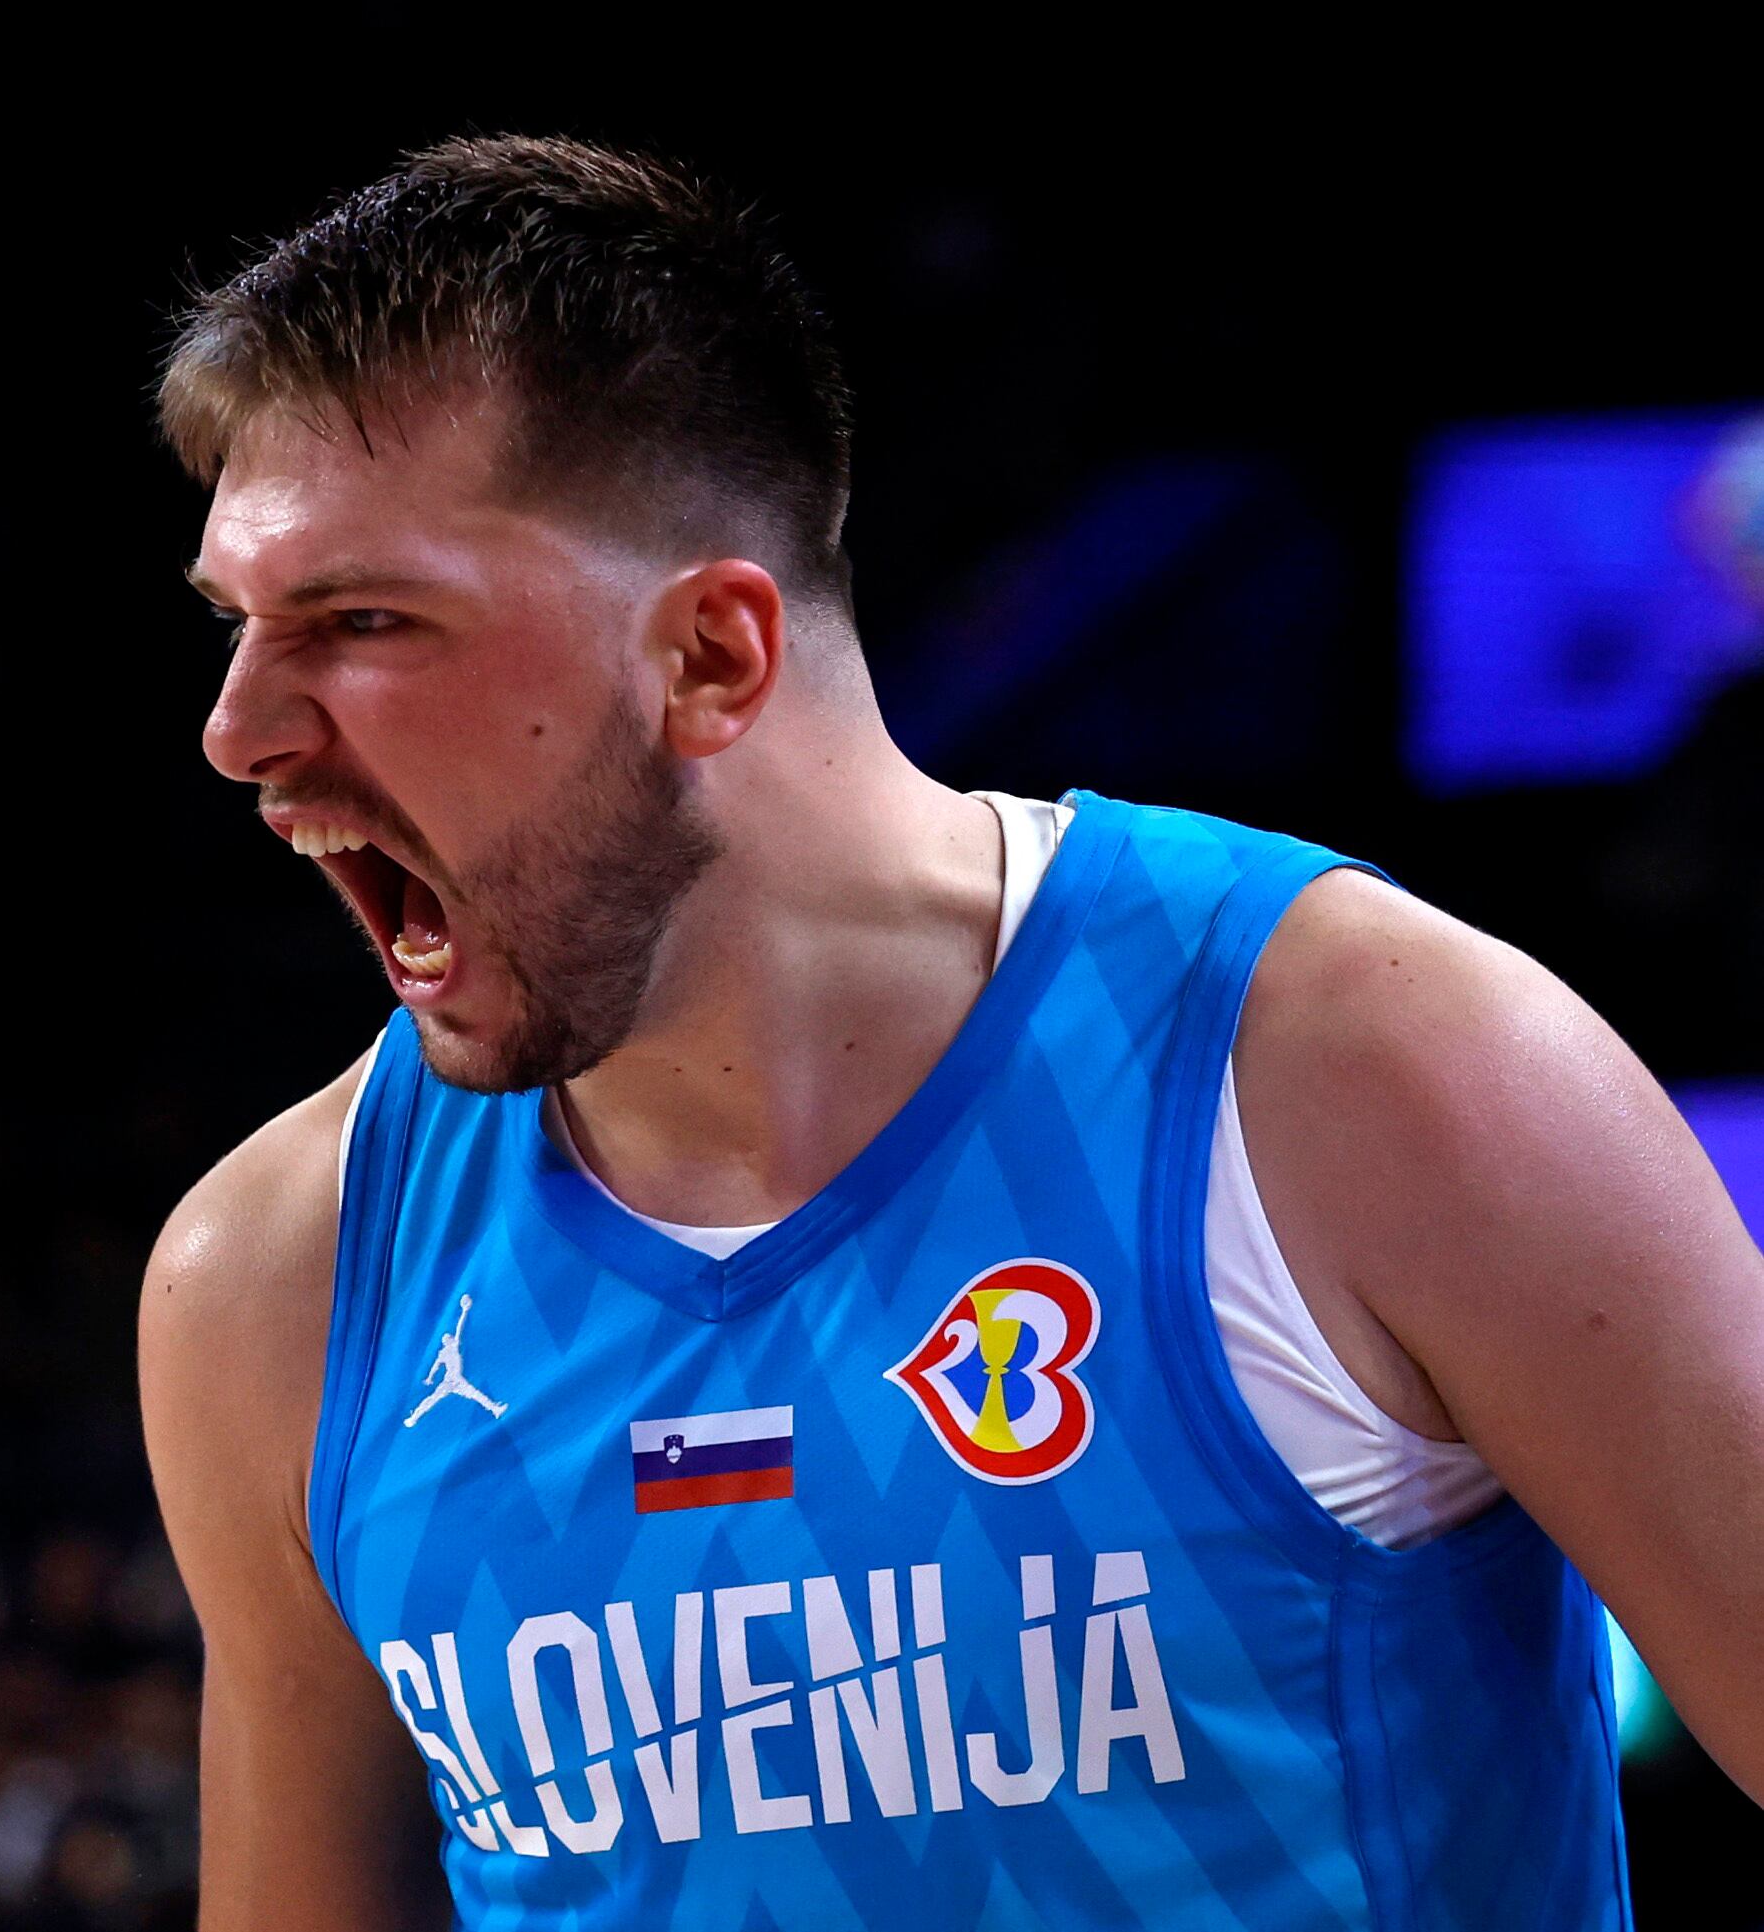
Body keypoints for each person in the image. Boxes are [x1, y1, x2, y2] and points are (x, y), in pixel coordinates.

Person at [136, 135, 1764, 1930]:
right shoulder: (273, 1282)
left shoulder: (1368, 1071)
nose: (241, 731)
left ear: (709, 657)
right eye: (236, 625)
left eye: (362, 620)